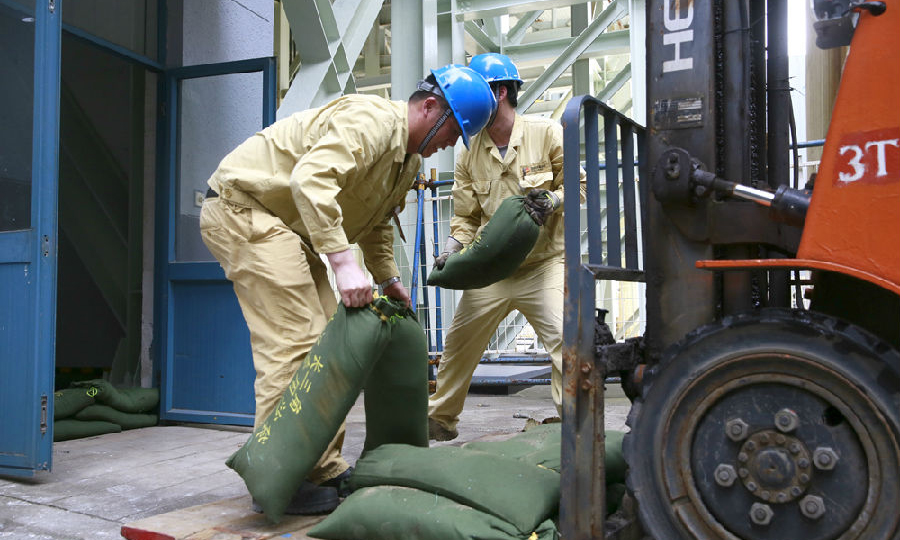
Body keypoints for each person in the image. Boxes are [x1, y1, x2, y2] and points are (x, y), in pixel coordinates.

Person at [200, 64, 496, 512]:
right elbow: (311, 180)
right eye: (454, 131)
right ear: (430, 107)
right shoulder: (371, 121)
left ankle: (320, 467)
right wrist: (342, 263)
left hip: (287, 229)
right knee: (295, 343)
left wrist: (387, 279)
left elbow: (376, 222)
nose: (451, 143)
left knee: (328, 343)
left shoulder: (408, 162)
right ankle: (278, 476)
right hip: (243, 209)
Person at [427, 53, 585, 442]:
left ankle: (577, 428)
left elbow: (579, 186)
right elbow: (466, 217)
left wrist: (553, 200)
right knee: (458, 344)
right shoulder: (468, 152)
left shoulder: (546, 133)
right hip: (493, 270)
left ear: (499, 93)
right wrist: (450, 249)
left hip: (544, 265)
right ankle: (439, 420)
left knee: (566, 342)